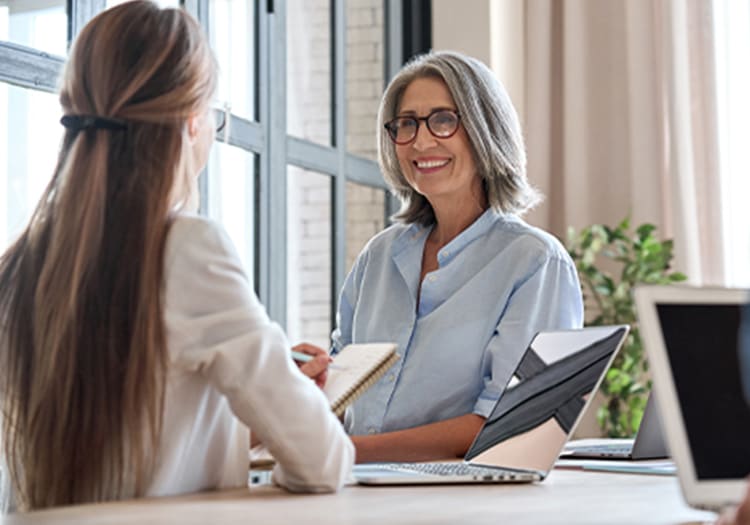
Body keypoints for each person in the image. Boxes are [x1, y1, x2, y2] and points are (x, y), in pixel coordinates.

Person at [0, 1, 352, 513]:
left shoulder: (15, 269)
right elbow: (324, 463)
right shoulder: (189, 250)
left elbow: (128, 446)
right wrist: (293, 398)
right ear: (191, 122)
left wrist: (244, 412)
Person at [324, 50, 583, 463]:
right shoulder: (378, 257)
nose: (422, 141)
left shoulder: (534, 263)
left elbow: (508, 421)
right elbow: (341, 401)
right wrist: (309, 383)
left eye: (443, 120)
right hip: (353, 492)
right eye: (406, 124)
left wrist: (344, 453)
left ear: (485, 130)